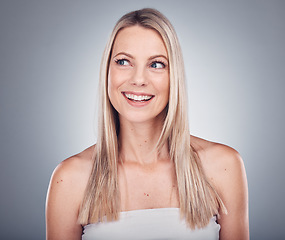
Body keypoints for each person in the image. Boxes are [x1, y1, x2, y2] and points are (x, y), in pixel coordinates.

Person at [45, 8, 249, 240]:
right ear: (107, 72)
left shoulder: (223, 167)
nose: (139, 79)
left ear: (175, 77)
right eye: (123, 61)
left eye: (156, 64)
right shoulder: (70, 178)